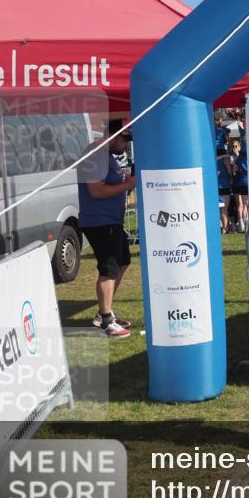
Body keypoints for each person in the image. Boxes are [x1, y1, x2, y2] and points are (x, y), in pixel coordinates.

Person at [77, 119, 137, 338]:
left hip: (111, 220)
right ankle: (105, 321)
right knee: (109, 268)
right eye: (124, 139)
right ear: (113, 136)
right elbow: (96, 191)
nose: (126, 145)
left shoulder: (107, 155)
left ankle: (106, 311)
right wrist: (128, 184)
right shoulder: (95, 154)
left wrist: (124, 183)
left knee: (122, 262)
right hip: (99, 221)